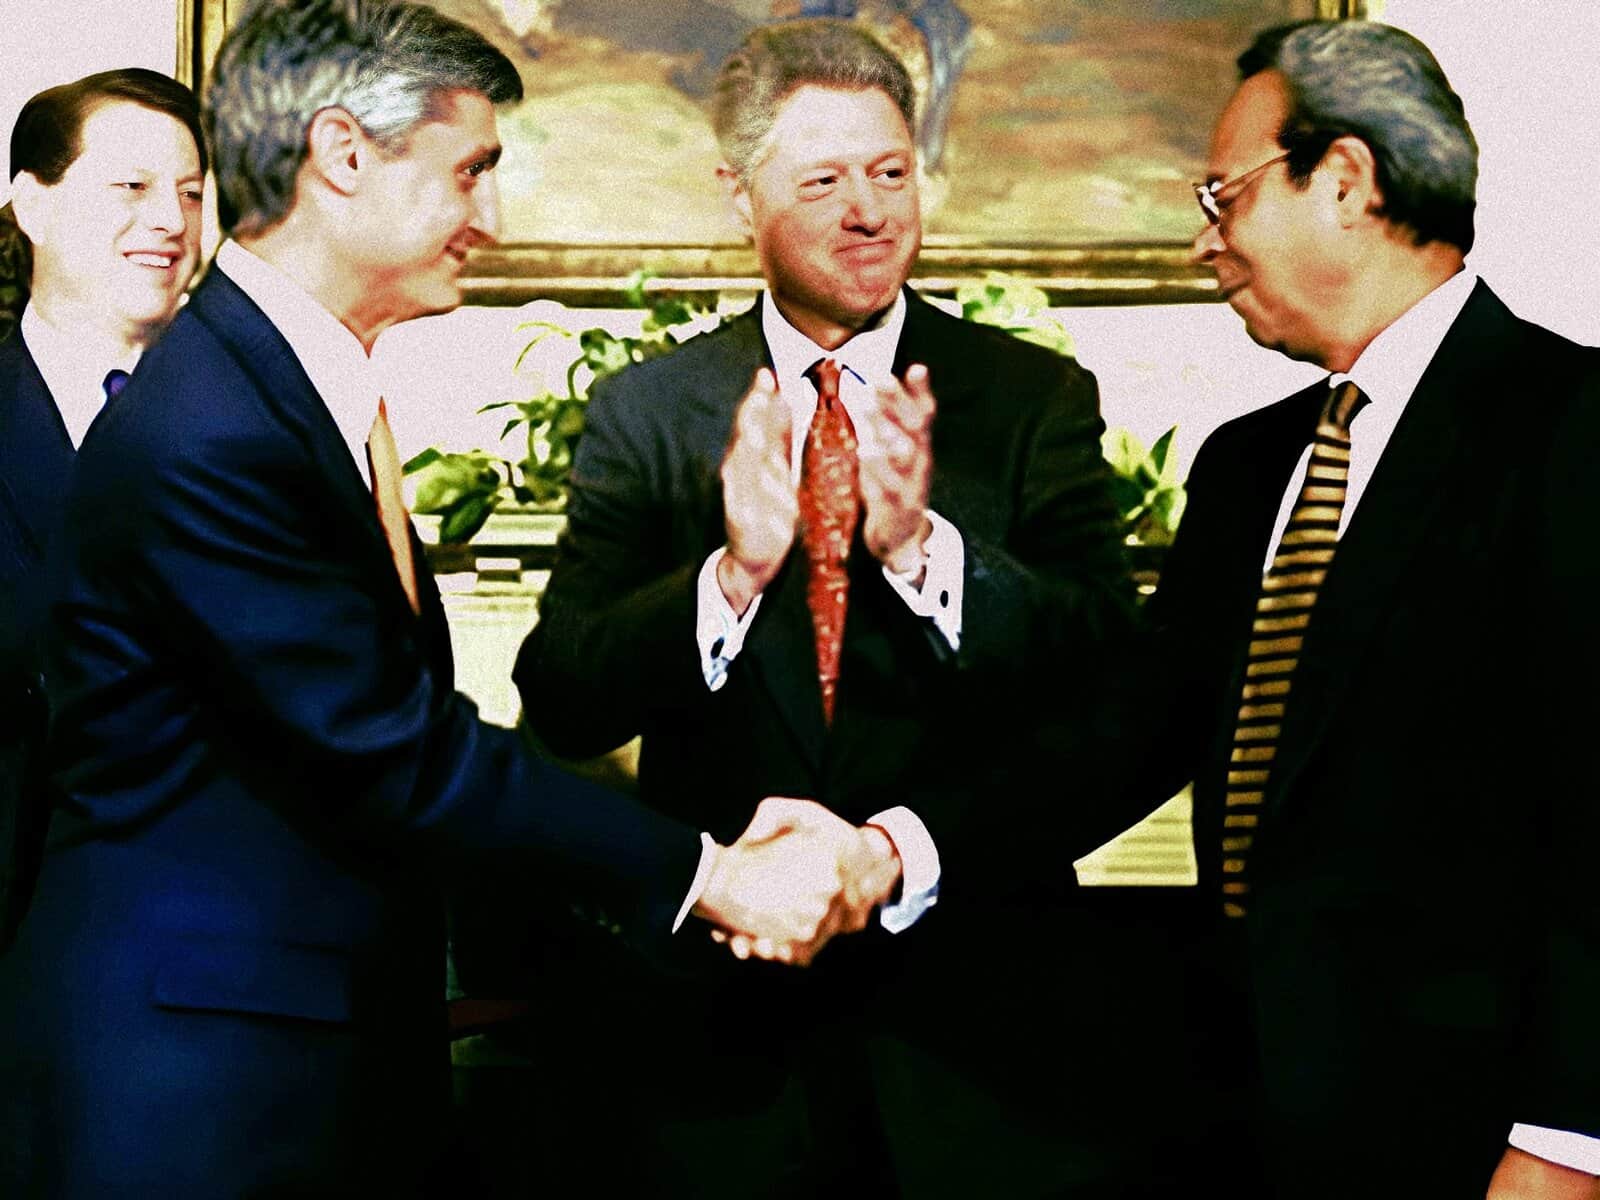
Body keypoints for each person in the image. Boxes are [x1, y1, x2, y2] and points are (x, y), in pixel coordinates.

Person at [0, 2, 891, 1196]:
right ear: (342, 155)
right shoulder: (212, 424)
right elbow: (396, 749)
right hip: (194, 1094)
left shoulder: (273, 388)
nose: (491, 218)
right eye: (469, 170)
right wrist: (710, 872)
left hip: (295, 1059)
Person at [506, 18, 1189, 1198]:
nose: (869, 211)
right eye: (823, 181)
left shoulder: (1026, 399)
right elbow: (562, 697)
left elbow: (1107, 684)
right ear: (739, 195)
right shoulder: (650, 413)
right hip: (720, 1059)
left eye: (889, 171)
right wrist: (730, 575)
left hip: (982, 1046)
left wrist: (924, 551)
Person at [1076, 19, 1600, 1198]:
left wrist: (1568, 1142)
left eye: (1224, 197)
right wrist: (896, 849)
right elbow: (1127, 736)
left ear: (1348, 181)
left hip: (1483, 1142)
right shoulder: (1247, 463)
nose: (1205, 242)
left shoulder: (1569, 426)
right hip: (1245, 1120)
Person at [0, 69, 205, 954]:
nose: (170, 220)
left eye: (190, 193)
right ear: (33, 206)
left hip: (228, 957)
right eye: (132, 186)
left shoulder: (278, 420)